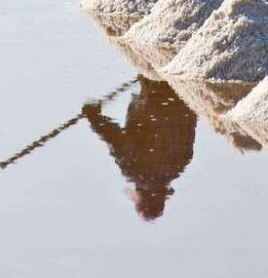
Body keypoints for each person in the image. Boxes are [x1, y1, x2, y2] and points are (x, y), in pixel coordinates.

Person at [82, 77, 197, 221]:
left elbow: (192, 118)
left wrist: (94, 117)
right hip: (153, 92)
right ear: (141, 197)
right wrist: (94, 118)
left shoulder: (182, 163)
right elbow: (114, 138)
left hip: (184, 92)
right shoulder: (135, 171)